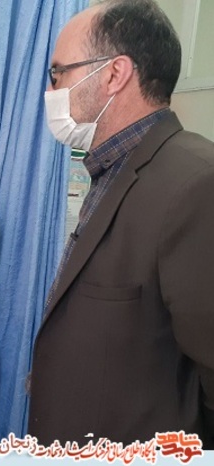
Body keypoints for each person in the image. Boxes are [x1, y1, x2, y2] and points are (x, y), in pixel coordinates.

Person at [29, 0, 214, 448]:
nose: (50, 90)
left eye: (58, 73)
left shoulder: (195, 183)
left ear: (114, 74)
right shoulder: (113, 170)